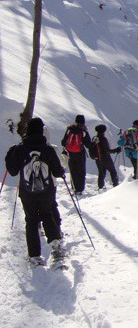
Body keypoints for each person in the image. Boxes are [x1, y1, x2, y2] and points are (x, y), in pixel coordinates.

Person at [5, 118, 66, 266]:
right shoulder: (48, 149)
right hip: (47, 192)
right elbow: (58, 172)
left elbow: (12, 171)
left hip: (27, 193)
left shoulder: (20, 149)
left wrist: (10, 154)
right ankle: (56, 248)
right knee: (47, 215)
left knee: (31, 220)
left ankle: (34, 256)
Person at [61, 114, 92, 195]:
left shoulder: (69, 129)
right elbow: (88, 145)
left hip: (70, 153)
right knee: (81, 172)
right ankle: (80, 189)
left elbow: (63, 142)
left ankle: (74, 187)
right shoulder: (83, 131)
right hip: (80, 154)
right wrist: (94, 142)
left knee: (73, 171)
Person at [92, 125, 121, 190]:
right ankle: (116, 186)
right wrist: (116, 150)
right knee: (113, 171)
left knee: (101, 173)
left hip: (98, 158)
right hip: (106, 158)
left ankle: (100, 187)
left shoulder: (94, 138)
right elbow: (107, 150)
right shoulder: (103, 139)